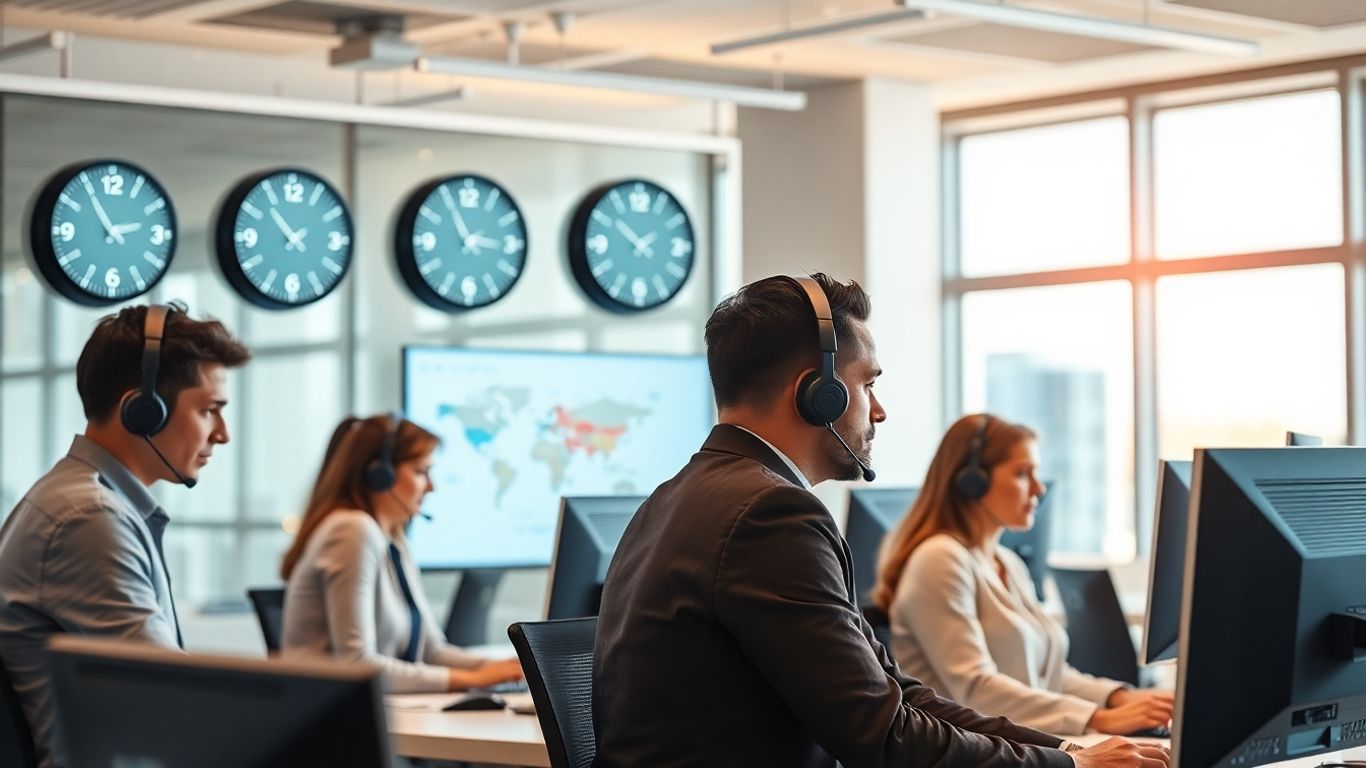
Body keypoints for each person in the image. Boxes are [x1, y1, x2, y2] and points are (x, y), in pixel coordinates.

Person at [592, 273, 1167, 768]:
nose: (881, 410)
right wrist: (1069, 765)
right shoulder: (771, 514)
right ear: (818, 393)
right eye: (868, 383)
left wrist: (1067, 750)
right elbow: (882, 738)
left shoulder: (672, 499)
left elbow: (898, 694)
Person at [0, 302, 251, 768]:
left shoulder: (87, 502)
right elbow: (173, 694)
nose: (223, 434)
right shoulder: (87, 517)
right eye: (209, 411)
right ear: (142, 410)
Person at [872, 414, 1174, 737]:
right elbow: (975, 688)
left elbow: (1049, 676)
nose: (1039, 488)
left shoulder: (1007, 562)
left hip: (1013, 743)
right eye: (1022, 473)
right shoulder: (939, 559)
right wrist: (1098, 718)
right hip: (965, 749)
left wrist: (1120, 699)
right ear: (972, 482)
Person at [280, 413, 523, 692]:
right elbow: (357, 664)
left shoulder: (393, 540)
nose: (431, 486)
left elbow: (431, 650)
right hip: (324, 711)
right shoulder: (351, 530)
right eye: (421, 472)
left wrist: (505, 668)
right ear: (380, 475)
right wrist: (472, 679)